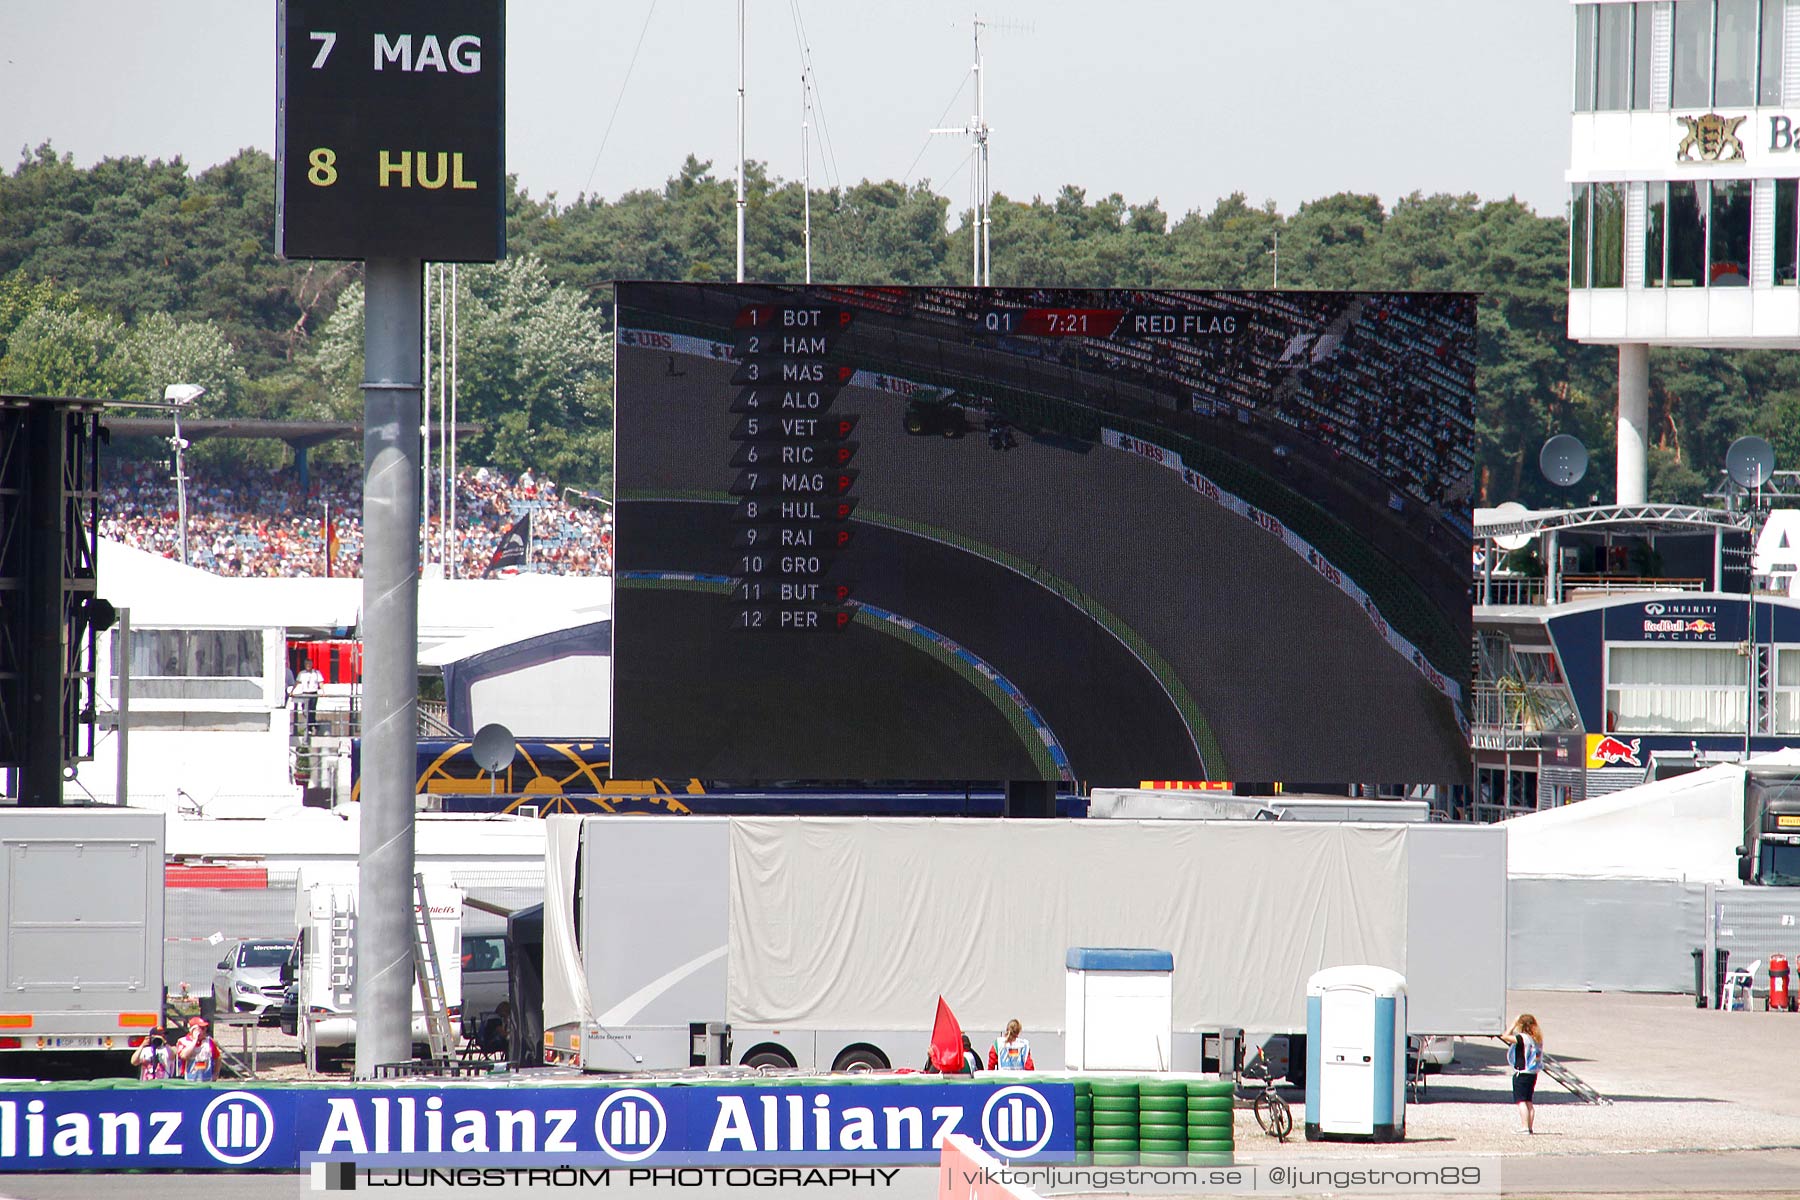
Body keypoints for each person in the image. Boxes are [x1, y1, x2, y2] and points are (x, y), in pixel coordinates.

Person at [1502, 1013, 1543, 1134]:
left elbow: (1505, 1036)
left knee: (1521, 1101)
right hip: (1532, 1072)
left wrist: (1513, 1024)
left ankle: (1524, 1127)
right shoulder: (1536, 1038)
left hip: (1522, 1072)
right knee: (1529, 1101)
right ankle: (1530, 1127)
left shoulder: (1522, 1038)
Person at [177, 1015, 221, 1082]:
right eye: (202, 1028)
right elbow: (184, 1056)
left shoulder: (209, 1041)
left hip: (207, 1079)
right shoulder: (183, 1041)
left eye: (205, 1028)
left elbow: (218, 1057)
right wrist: (195, 1040)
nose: (205, 1030)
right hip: (189, 1079)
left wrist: (216, 1074)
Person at [293, 660, 322, 733]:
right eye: (306, 664)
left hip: (313, 693)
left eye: (309, 664)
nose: (308, 665)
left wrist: (323, 691)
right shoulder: (301, 673)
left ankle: (310, 726)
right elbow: (297, 682)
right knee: (305, 710)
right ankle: (312, 724)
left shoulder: (316, 673)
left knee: (312, 710)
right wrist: (292, 691)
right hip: (305, 693)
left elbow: (321, 682)